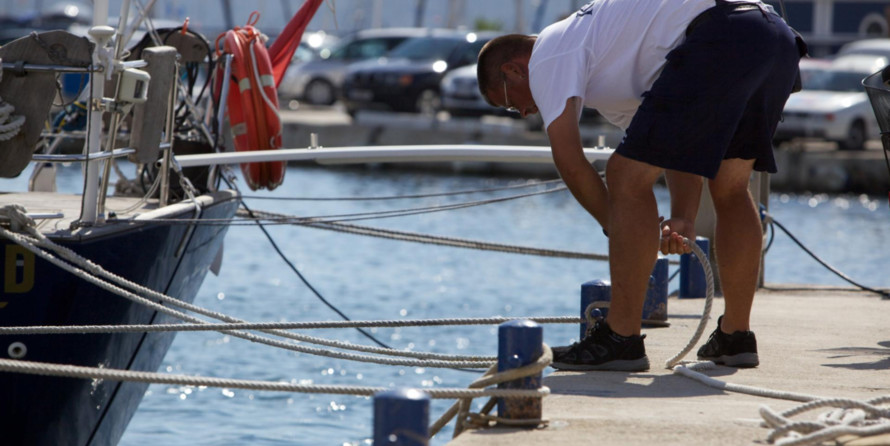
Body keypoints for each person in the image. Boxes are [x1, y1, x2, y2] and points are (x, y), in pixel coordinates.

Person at [476, 0, 804, 371]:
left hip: (723, 34)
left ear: (513, 69)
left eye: (506, 103)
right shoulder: (608, 67)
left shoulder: (549, 52)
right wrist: (682, 217)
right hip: (772, 36)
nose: (523, 113)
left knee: (623, 176)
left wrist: (617, 226)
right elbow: (674, 146)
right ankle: (736, 336)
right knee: (731, 186)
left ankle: (622, 339)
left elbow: (569, 161)